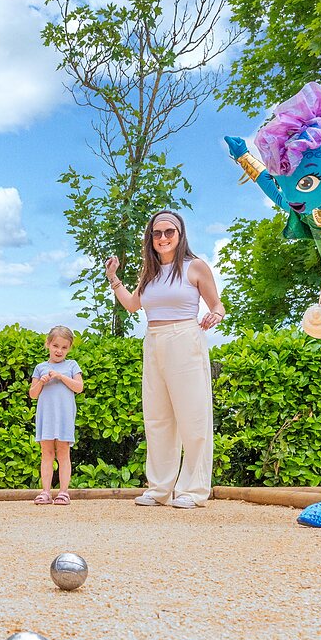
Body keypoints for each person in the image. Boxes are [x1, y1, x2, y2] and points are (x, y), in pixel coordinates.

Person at [105, 210, 225, 509]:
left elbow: (217, 304)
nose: (163, 238)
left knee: (193, 417)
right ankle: (159, 488)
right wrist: (113, 279)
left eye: (169, 232)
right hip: (154, 341)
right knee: (157, 418)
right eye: (157, 233)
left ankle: (193, 490)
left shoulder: (194, 267)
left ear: (180, 234)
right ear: (151, 238)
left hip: (185, 336)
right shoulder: (149, 273)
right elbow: (133, 306)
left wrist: (216, 315)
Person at [29, 325, 84, 506]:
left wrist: (60, 377)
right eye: (55, 346)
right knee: (47, 453)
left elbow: (78, 387)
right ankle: (45, 492)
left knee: (63, 453)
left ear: (69, 348)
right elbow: (33, 394)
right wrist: (42, 382)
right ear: (48, 344)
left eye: (64, 347)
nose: (59, 351)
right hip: (46, 417)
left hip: (65, 417)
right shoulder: (40, 367)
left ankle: (63, 492)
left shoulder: (72, 365)